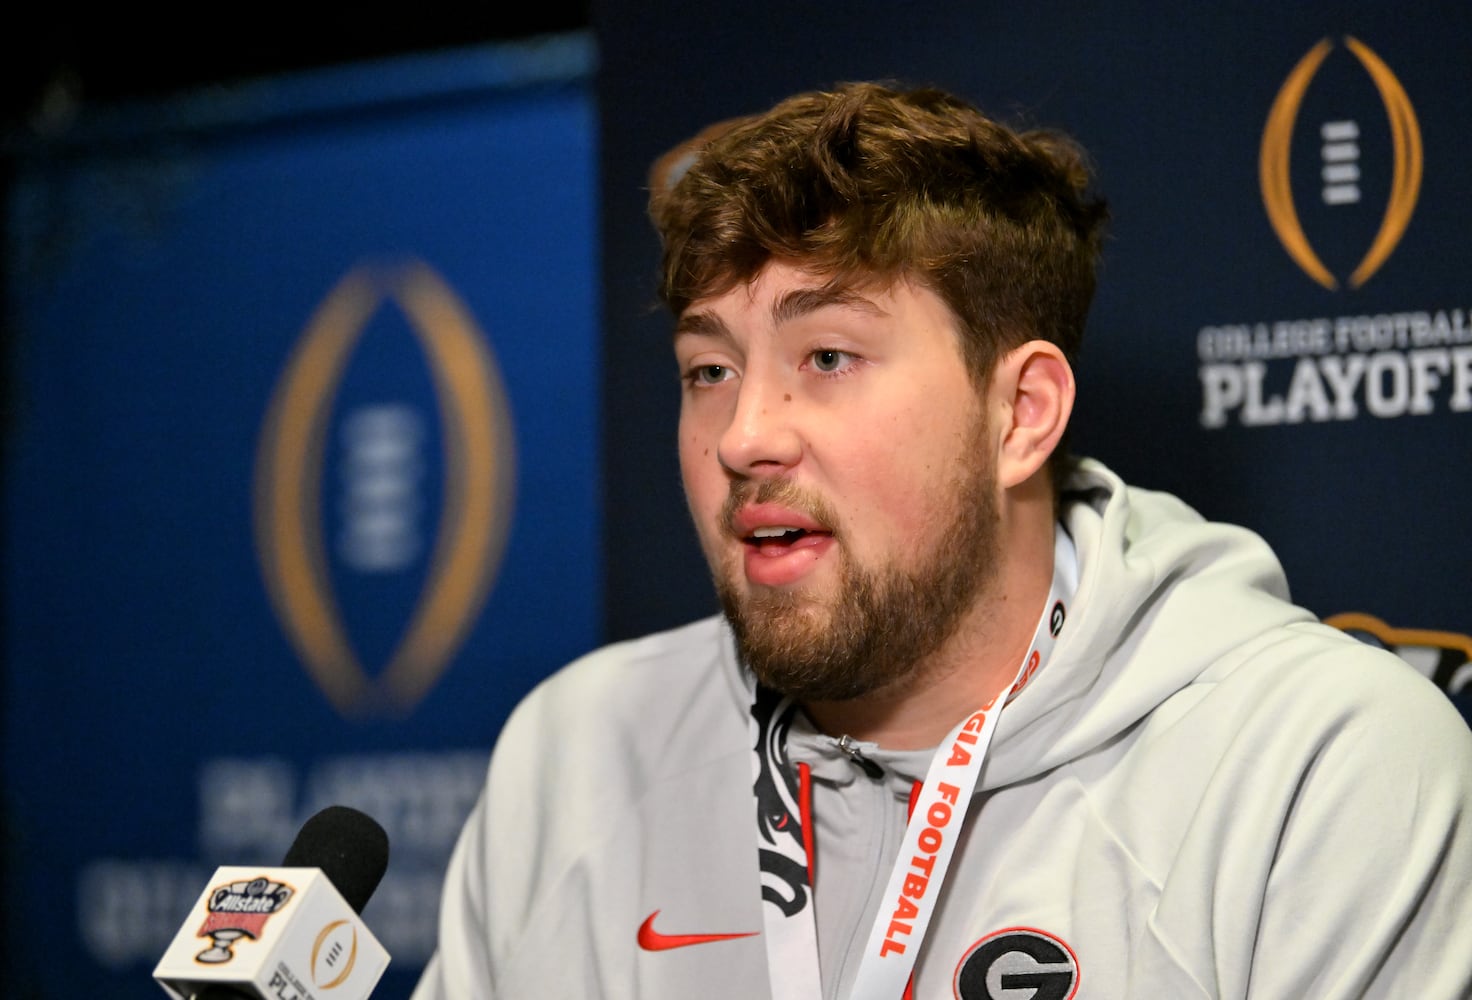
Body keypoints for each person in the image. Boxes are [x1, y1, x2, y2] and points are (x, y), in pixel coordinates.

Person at [413, 82, 1472, 999]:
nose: (742, 437)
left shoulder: (1319, 766)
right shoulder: (574, 753)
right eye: (708, 370)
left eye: (826, 356)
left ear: (1018, 416)